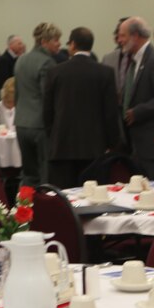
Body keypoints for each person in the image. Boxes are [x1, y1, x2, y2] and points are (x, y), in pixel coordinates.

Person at [43, 27, 120, 188]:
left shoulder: (55, 72)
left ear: (72, 45)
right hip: (94, 146)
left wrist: (53, 135)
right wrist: (112, 144)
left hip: (62, 145)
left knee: (65, 198)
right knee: (94, 197)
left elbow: (47, 112)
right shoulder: (105, 72)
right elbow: (111, 113)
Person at [119, 17, 154, 179]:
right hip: (138, 143)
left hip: (153, 145)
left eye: (122, 35)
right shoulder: (136, 60)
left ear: (135, 36)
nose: (119, 40)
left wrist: (138, 112)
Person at [13, 22, 61, 186]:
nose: (59, 43)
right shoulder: (47, 63)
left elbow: (17, 94)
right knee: (45, 173)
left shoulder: (20, 60)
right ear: (44, 42)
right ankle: (45, 209)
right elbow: (48, 98)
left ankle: (24, 208)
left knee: (28, 174)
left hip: (21, 123)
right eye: (56, 40)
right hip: (40, 125)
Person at [101, 17, 131, 99]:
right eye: (119, 35)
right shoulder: (108, 59)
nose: (120, 39)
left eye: (123, 35)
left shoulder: (145, 59)